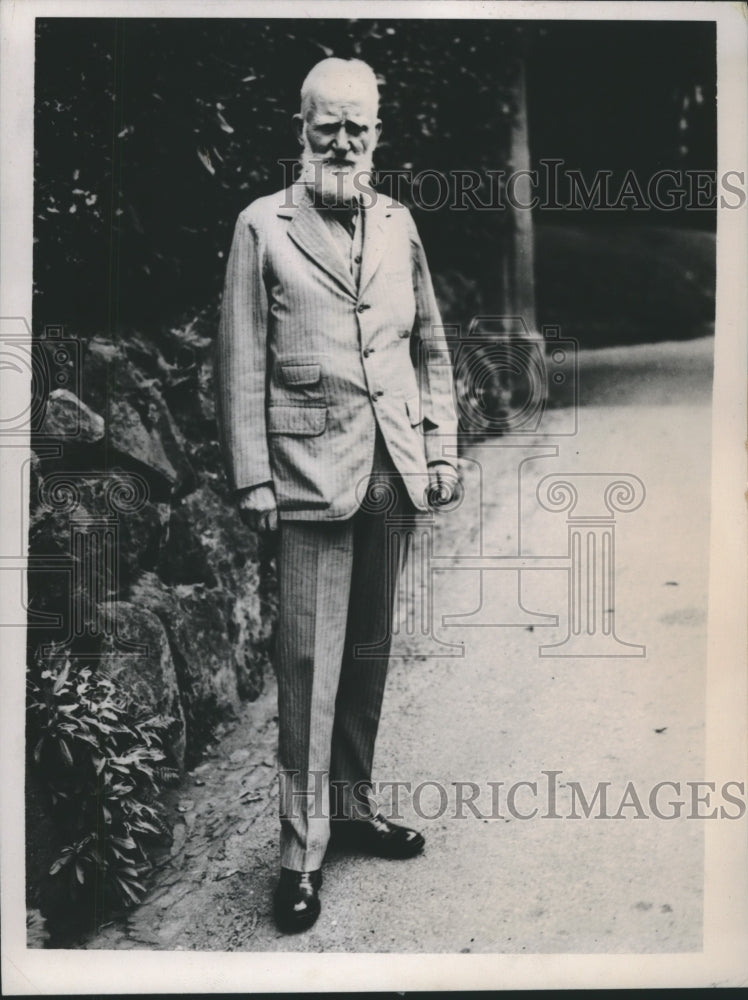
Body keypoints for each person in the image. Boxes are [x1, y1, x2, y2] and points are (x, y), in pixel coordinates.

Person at [215, 57, 458, 933]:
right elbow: (239, 358)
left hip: (389, 473)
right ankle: (297, 852)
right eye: (330, 125)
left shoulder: (398, 223)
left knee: (365, 656)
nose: (345, 140)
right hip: (308, 478)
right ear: (302, 127)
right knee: (309, 665)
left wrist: (439, 450)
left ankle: (349, 811)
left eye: (360, 126)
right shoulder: (262, 226)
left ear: (378, 132)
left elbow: (428, 347)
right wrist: (252, 475)